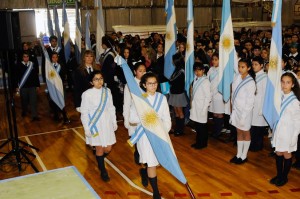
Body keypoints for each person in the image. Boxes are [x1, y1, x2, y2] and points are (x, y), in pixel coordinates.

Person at [130, 72, 171, 199]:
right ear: (144, 85)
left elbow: (167, 118)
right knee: (151, 162)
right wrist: (147, 118)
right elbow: (132, 118)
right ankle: (156, 192)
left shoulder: (162, 98)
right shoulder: (139, 98)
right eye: (150, 83)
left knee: (154, 162)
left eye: (155, 83)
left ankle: (144, 171)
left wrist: (164, 132)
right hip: (144, 136)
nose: (153, 86)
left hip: (159, 135)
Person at [80, 70, 117, 182]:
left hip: (106, 122)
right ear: (92, 82)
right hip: (95, 124)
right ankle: (103, 170)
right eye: (96, 79)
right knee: (100, 148)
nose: (99, 81)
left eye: (101, 78)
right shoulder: (87, 94)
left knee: (108, 147)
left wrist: (114, 122)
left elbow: (111, 107)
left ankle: (98, 157)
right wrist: (86, 128)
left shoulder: (107, 91)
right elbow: (84, 112)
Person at [270, 72, 300, 186]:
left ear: (292, 84)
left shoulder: (295, 101)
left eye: (288, 82)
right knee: (278, 153)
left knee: (287, 154)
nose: (284, 85)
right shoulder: (279, 96)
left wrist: (294, 136)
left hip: (289, 132)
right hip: (279, 130)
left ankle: (284, 177)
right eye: (282, 82)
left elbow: (297, 121)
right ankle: (279, 174)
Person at [123, 62, 147, 184]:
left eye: (144, 70)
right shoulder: (130, 85)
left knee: (147, 146)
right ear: (134, 72)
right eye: (140, 70)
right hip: (135, 117)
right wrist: (127, 120)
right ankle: (141, 160)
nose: (142, 73)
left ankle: (146, 169)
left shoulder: (148, 82)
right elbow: (126, 103)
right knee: (139, 143)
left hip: (147, 118)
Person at [230, 58, 256, 164]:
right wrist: (232, 111)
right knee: (238, 132)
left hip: (245, 112)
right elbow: (233, 94)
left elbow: (250, 102)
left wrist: (244, 116)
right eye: (239, 66)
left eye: (243, 67)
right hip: (236, 110)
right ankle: (238, 154)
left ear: (248, 68)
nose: (240, 69)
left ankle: (244, 155)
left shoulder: (251, 82)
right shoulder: (236, 77)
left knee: (245, 132)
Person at [189, 62, 211, 149]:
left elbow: (208, 97)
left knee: (202, 126)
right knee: (198, 126)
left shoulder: (205, 81)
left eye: (199, 70)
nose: (197, 72)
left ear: (203, 70)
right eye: (195, 70)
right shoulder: (195, 79)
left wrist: (204, 108)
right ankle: (198, 141)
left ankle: (202, 143)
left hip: (202, 106)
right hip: (196, 106)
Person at [250, 56, 268, 151]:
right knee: (253, 126)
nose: (253, 66)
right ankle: (253, 144)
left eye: (256, 64)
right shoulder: (254, 75)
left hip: (260, 106)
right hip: (253, 104)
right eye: (252, 64)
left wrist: (262, 109)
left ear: (261, 65)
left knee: (259, 127)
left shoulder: (264, 78)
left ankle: (258, 145)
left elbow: (265, 95)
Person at [168, 53, 188, 136]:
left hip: (179, 94)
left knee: (180, 112)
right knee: (176, 111)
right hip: (174, 93)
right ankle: (177, 128)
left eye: (173, 60)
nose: (172, 61)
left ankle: (180, 130)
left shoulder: (181, 70)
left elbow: (172, 80)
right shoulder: (177, 69)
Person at [17, 52, 40, 121]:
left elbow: (36, 75)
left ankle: (34, 115)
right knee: (24, 101)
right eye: (24, 57)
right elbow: (16, 76)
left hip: (32, 86)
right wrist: (16, 86)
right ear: (22, 57)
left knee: (33, 101)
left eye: (27, 56)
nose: (26, 58)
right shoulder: (19, 65)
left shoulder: (32, 64)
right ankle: (24, 111)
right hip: (23, 87)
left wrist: (37, 85)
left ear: (29, 57)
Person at [207, 53, 225, 138]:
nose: (214, 61)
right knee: (214, 113)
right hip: (211, 94)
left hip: (219, 95)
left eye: (216, 59)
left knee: (219, 113)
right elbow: (207, 80)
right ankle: (215, 130)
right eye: (213, 59)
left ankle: (218, 131)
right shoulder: (211, 69)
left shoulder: (222, 70)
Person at [49, 52, 70, 124]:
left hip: (60, 86)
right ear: (51, 58)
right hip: (52, 87)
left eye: (56, 57)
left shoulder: (61, 66)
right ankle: (56, 115)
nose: (55, 59)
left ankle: (65, 117)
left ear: (57, 58)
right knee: (53, 101)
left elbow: (64, 75)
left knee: (61, 101)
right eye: (53, 57)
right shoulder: (49, 66)